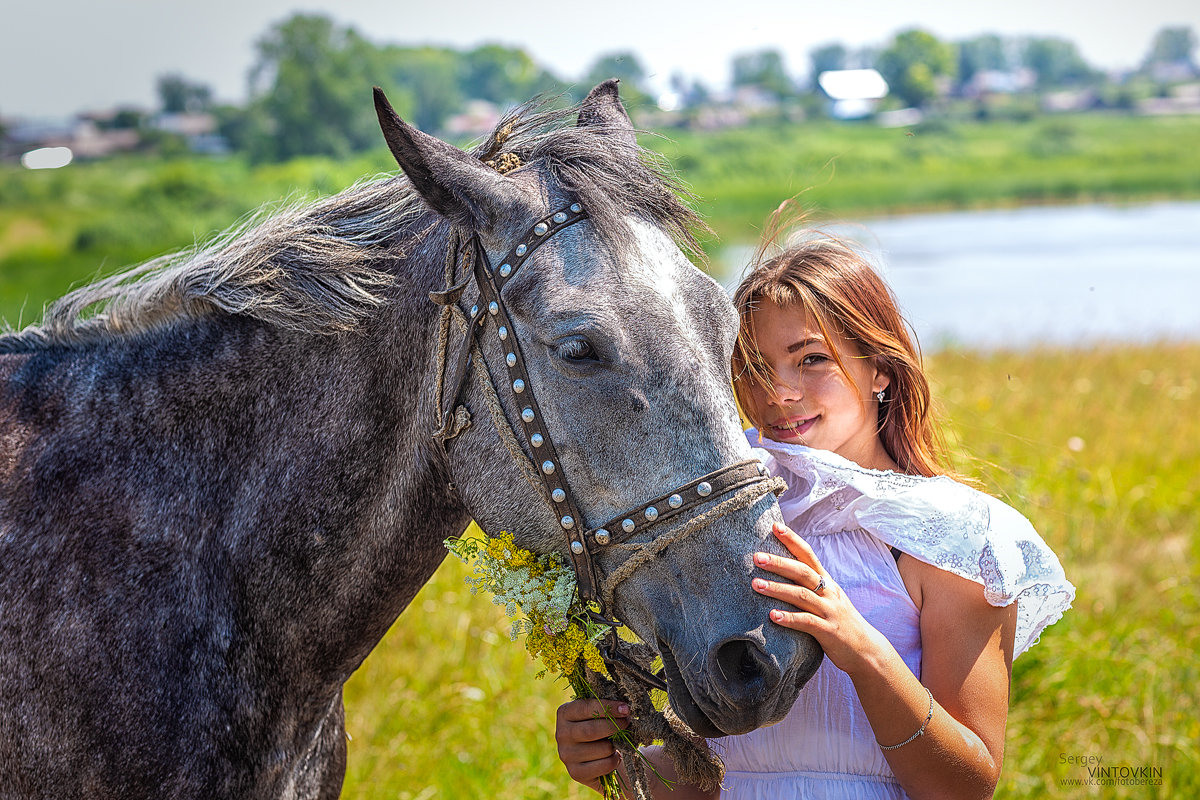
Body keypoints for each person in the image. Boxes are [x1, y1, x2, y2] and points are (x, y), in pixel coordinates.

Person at [554, 234, 1074, 799]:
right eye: (753, 366)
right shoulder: (719, 524)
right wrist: (618, 764)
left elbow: (964, 788)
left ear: (880, 368)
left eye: (812, 359)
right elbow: (725, 778)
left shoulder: (956, 536)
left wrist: (862, 648)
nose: (777, 392)